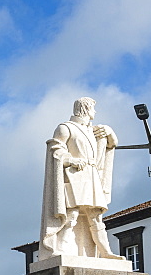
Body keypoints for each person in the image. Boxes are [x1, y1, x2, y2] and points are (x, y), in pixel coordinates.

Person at [39, 97, 125, 260]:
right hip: (74, 175)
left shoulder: (93, 131)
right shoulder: (65, 128)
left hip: (92, 177)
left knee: (96, 216)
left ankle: (105, 252)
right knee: (72, 215)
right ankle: (61, 249)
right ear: (86, 109)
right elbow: (56, 152)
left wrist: (109, 131)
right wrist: (72, 160)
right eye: (93, 108)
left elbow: (112, 143)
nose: (95, 112)